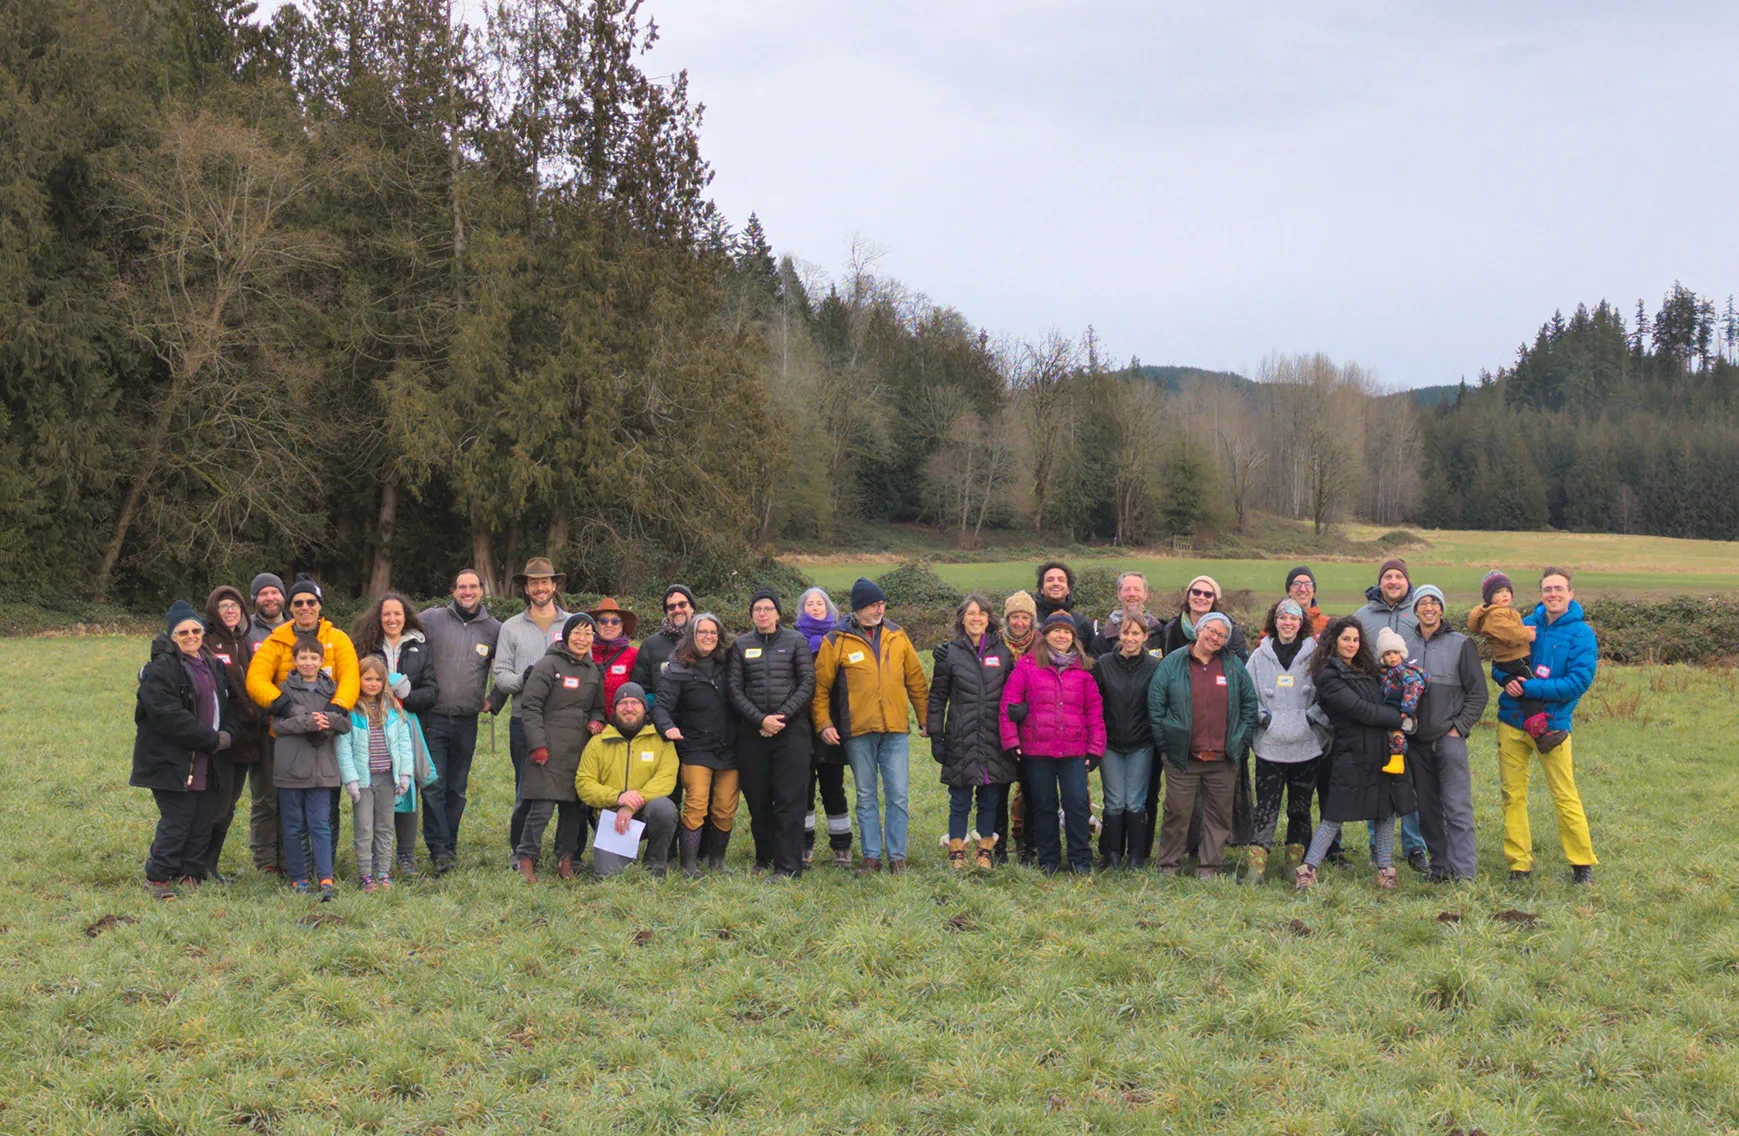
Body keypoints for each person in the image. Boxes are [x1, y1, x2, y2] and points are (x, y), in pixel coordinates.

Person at [813, 578, 930, 875]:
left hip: (895, 729)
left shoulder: (897, 635)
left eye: (882, 604)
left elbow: (915, 679)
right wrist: (824, 723)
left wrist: (926, 719)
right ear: (858, 608)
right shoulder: (835, 640)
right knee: (865, 795)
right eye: (873, 605)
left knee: (898, 794)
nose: (880, 609)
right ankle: (871, 856)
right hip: (858, 731)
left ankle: (897, 856)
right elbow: (820, 688)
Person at [245, 575, 360, 877]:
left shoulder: (339, 639)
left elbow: (351, 678)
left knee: (326, 807)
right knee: (285, 805)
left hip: (326, 735)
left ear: (320, 606)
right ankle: (289, 866)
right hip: (287, 737)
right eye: (299, 603)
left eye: (311, 602)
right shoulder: (277, 640)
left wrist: (335, 711)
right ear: (290, 606)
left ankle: (325, 866)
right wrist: (283, 705)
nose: (305, 607)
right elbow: (255, 679)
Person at [1294, 617, 1414, 892]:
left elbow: (1382, 698)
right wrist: (1401, 719)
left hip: (1380, 749)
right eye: (1346, 639)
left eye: (1356, 639)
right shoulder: (1327, 675)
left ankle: (1385, 869)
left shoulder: (1367, 670)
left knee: (1385, 810)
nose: (1351, 644)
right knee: (1335, 812)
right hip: (1350, 750)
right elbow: (1359, 709)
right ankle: (1309, 868)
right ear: (1334, 642)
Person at [1494, 568, 1598, 884]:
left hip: (1553, 729)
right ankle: (1518, 865)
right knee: (1513, 795)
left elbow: (1578, 682)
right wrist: (1507, 680)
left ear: (1571, 594)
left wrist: (1530, 688)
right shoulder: (1524, 625)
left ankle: (1581, 864)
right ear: (1541, 593)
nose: (1552, 594)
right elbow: (1499, 663)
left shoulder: (1582, 634)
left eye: (1558, 588)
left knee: (1564, 793)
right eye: (1547, 589)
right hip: (1511, 723)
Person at [130, 601, 236, 900]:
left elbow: (229, 704)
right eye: (182, 632)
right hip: (172, 760)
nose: (191, 636)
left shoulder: (212, 663)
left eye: (195, 630)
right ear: (172, 636)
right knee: (178, 820)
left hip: (207, 758)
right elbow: (168, 716)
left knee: (203, 817)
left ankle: (190, 873)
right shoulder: (162, 668)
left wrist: (228, 733)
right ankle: (159, 878)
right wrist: (210, 739)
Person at [1148, 612, 1258, 878]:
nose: (1215, 637)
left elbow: (1249, 705)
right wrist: (1166, 745)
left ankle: (1209, 867)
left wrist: (1239, 742)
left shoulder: (1233, 667)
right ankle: (1168, 865)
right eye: (1211, 630)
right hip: (1182, 757)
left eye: (1222, 635)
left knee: (1218, 816)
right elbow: (1156, 705)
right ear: (1198, 630)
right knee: (1177, 813)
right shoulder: (1172, 663)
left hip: (1223, 759)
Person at [999, 611, 1104, 874]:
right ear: (1044, 635)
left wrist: (1096, 748)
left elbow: (1094, 712)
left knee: (1077, 803)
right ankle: (1049, 860)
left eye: (1067, 632)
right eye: (1056, 631)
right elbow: (1008, 705)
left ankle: (1080, 859)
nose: (1061, 636)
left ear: (1074, 638)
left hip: (1074, 750)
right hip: (1037, 750)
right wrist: (1011, 740)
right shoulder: (1027, 666)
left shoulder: (1084, 670)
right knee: (1044, 805)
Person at [350, 592, 439, 879]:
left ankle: (406, 855)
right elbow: (354, 682)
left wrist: (406, 698)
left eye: (397, 614)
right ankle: (375, 857)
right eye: (386, 614)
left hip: (406, 724)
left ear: (406, 617)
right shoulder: (365, 646)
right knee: (378, 788)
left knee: (408, 784)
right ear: (378, 617)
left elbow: (432, 689)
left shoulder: (420, 647)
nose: (392, 619)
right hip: (372, 723)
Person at [728, 589, 816, 878]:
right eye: (757, 609)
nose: (762, 613)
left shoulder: (796, 641)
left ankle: (789, 865)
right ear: (752, 614)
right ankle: (764, 857)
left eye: (768, 608)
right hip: (753, 735)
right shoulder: (741, 645)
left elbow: (806, 684)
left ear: (778, 613)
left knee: (791, 801)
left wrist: (781, 717)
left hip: (791, 733)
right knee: (758, 799)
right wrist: (759, 720)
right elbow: (734, 689)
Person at [418, 568, 501, 874]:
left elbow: (504, 668)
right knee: (433, 784)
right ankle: (438, 849)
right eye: (462, 587)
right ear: (453, 590)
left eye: (474, 587)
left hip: (467, 721)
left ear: (482, 590)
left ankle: (449, 844)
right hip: (432, 717)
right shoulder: (430, 619)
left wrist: (493, 700)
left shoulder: (494, 629)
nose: (468, 592)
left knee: (457, 788)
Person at [1403, 584, 1488, 883]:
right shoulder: (1405, 647)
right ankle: (1439, 868)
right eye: (1422, 603)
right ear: (1414, 610)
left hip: (1448, 739)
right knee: (1427, 809)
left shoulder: (1461, 643)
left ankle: (1464, 872)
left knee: (1456, 806)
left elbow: (1478, 693)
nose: (1428, 608)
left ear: (1441, 608)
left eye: (1434, 602)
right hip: (1416, 742)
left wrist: (1458, 728)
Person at [489, 559, 570, 866]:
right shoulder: (511, 627)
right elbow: (500, 676)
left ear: (554, 585)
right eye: (534, 583)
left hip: (566, 722)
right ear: (526, 588)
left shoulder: (573, 623)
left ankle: (566, 853)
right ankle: (520, 852)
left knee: (567, 788)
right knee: (526, 788)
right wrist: (527, 679)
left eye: (545, 582)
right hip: (523, 719)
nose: (540, 587)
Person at [515, 613, 607, 881]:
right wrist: (537, 745)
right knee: (541, 809)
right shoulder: (548, 664)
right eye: (577, 632)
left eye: (588, 633)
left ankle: (565, 860)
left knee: (573, 810)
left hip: (578, 751)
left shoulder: (593, 670)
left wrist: (596, 722)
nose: (582, 638)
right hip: (548, 749)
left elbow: (598, 708)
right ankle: (526, 857)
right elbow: (530, 706)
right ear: (566, 635)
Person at [928, 594, 1016, 871]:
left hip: (994, 737)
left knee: (990, 797)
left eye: (981, 613)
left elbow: (1013, 693)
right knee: (960, 798)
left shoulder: (1002, 653)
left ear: (990, 619)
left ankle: (984, 852)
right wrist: (936, 735)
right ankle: (957, 850)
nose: (976, 618)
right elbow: (938, 697)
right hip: (960, 735)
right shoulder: (949, 653)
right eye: (970, 613)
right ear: (962, 619)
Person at [1351, 558, 1426, 872]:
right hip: (1376, 706)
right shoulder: (1363, 615)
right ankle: (1376, 847)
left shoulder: (1419, 612)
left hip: (1413, 708)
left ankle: (1415, 848)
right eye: (1387, 576)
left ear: (1407, 581)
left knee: (1409, 781)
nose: (1393, 581)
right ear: (1379, 582)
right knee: (1377, 775)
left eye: (1398, 576)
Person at [1244, 600, 1325, 881]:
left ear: (1301, 622)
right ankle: (1256, 866)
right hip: (1269, 746)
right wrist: (1266, 720)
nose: (1287, 623)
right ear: (1274, 621)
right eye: (1282, 617)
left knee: (1300, 807)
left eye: (1293, 618)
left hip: (1306, 746)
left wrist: (1310, 720)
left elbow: (1327, 695)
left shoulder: (1317, 656)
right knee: (1266, 806)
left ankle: (1295, 865)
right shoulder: (1257, 657)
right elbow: (1247, 696)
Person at [656, 613, 740, 877]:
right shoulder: (677, 668)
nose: (708, 637)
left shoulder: (730, 665)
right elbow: (661, 706)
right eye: (702, 632)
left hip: (729, 748)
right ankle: (689, 865)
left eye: (713, 632)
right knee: (696, 803)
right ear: (692, 635)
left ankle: (717, 861)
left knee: (725, 806)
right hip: (695, 748)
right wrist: (667, 726)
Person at [270, 635, 352, 900]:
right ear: (294, 661)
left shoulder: (333, 690)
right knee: (293, 827)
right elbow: (277, 726)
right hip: (290, 770)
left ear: (322, 661)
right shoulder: (283, 692)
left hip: (322, 771)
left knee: (320, 824)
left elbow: (345, 724)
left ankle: (325, 878)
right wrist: (307, 722)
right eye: (302, 657)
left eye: (313, 658)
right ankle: (299, 878)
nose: (308, 662)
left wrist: (327, 719)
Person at [575, 683, 681, 878]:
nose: (629, 708)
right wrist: (619, 798)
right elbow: (584, 784)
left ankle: (655, 866)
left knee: (665, 808)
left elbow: (665, 780)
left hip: (647, 812)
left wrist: (632, 803)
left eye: (635, 702)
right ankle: (616, 855)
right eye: (623, 703)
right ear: (614, 709)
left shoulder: (661, 741)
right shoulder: (598, 743)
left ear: (644, 708)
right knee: (607, 876)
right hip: (612, 818)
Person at [200, 586, 265, 882]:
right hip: (221, 738)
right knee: (216, 806)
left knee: (229, 807)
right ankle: (197, 865)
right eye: (223, 605)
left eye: (235, 605)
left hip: (246, 738)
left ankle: (209, 865)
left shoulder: (246, 642)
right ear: (214, 609)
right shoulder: (205, 641)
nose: (230, 611)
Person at [335, 658, 415, 892]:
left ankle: (383, 872)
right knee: (364, 827)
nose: (373, 683)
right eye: (367, 678)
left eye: (378, 679)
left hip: (387, 778)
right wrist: (350, 779)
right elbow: (344, 748)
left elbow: (403, 744)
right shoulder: (351, 712)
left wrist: (405, 774)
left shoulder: (393, 711)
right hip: (362, 780)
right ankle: (365, 874)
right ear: (358, 680)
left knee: (385, 827)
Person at [1092, 614, 1160, 870]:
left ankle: (1136, 856)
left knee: (1135, 801)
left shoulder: (1154, 666)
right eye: (1126, 633)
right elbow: (1095, 703)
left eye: (1136, 634)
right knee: (1114, 801)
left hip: (1141, 743)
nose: (1130, 639)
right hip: (1110, 743)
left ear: (1145, 637)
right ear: (1119, 635)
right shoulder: (1104, 664)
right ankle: (1111, 854)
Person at [1468, 571, 1560, 750]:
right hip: (1514, 660)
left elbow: (1509, 630)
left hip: (1511, 659)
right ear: (1489, 597)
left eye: (1507, 591)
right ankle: (1539, 731)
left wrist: (1522, 629)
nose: (1505, 595)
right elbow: (1511, 634)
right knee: (1532, 687)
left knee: (1525, 687)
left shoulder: (1500, 613)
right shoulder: (1496, 614)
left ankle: (1538, 727)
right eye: (1498, 592)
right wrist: (1528, 634)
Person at [795, 587, 853, 868]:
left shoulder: (841, 639)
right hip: (800, 725)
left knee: (833, 786)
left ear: (829, 608)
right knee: (803, 787)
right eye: (810, 604)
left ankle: (841, 847)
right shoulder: (794, 640)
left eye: (820, 603)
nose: (815, 607)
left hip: (832, 725)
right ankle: (804, 846)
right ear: (801, 610)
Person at [243, 572, 288, 875]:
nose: (270, 598)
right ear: (255, 599)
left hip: (294, 725)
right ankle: (265, 860)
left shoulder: (298, 624)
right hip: (258, 724)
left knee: (290, 796)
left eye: (274, 592)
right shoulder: (245, 631)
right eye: (263, 593)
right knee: (264, 797)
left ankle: (290, 856)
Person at [1000, 589, 1040, 864]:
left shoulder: (1041, 645)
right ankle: (997, 843)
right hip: (1000, 724)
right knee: (998, 787)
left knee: (1031, 788)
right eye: (1014, 616)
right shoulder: (994, 644)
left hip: (1034, 726)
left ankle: (1028, 843)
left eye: (1025, 617)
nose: (1019, 622)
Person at [630, 584, 696, 697]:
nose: (677, 610)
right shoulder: (650, 645)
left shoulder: (706, 640)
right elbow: (640, 690)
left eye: (682, 604)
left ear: (692, 608)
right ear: (666, 612)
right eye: (671, 607)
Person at [1375, 627, 1428, 769]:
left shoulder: (1405, 671)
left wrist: (1407, 708)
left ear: (1402, 654)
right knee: (1389, 733)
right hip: (1389, 708)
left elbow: (1414, 688)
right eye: (1387, 654)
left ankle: (1397, 760)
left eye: (1395, 653)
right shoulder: (1384, 672)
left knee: (1396, 733)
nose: (1392, 657)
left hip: (1401, 710)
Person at [1090, 571, 1165, 655]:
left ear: (1145, 595)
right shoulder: (1104, 637)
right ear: (1119, 595)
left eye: (1137, 589)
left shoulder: (1160, 634)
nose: (1132, 594)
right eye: (1127, 589)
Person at [590, 597, 640, 708]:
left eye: (615, 621)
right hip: (588, 719)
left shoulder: (634, 655)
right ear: (596, 625)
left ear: (621, 626)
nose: (609, 625)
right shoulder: (586, 653)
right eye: (603, 621)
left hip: (620, 720)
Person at [1034, 561, 1097, 646]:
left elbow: (1091, 656)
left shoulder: (1083, 623)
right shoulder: (1030, 620)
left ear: (1068, 589)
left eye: (1061, 580)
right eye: (1050, 580)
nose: (1056, 583)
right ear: (1041, 589)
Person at [1283, 566, 1330, 637]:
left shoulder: (1327, 624)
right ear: (1289, 591)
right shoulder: (1278, 622)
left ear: (1313, 591)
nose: (1302, 589)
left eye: (1308, 584)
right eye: (1297, 584)